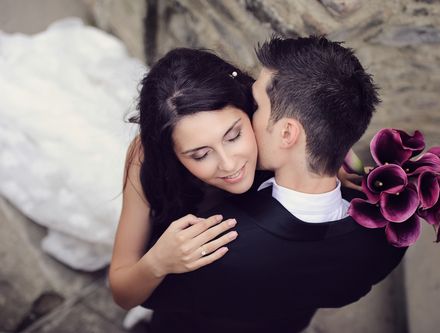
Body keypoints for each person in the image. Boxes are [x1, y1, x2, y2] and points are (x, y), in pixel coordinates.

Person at [143, 36, 407, 333]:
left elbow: (150, 295)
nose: (248, 108)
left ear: (286, 134)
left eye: (255, 106)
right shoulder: (393, 226)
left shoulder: (218, 243)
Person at [109, 47, 360, 311]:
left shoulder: (272, 127)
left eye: (233, 136)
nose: (229, 164)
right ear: (170, 153)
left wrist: (327, 164)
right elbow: (122, 293)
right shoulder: (145, 160)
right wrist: (157, 263)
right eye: (200, 154)